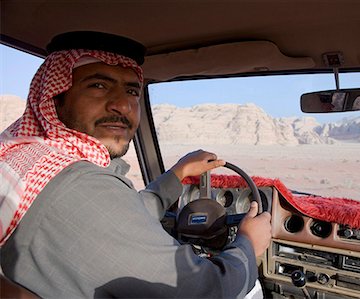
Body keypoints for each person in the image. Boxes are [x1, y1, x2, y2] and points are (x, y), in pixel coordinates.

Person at [0, 31, 272, 298]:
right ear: (55, 98)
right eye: (98, 85)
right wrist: (248, 244)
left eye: (131, 91)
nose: (122, 105)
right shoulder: (81, 184)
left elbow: (116, 218)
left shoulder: (32, 160)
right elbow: (208, 290)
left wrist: (177, 174)